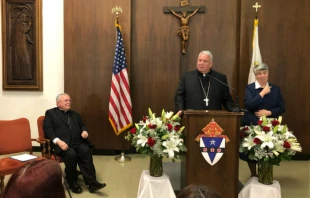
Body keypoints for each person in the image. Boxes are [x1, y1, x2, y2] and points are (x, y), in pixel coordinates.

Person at [43, 93, 106, 194]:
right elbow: (48, 130)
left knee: (85, 150)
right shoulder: (50, 113)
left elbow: (83, 126)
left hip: (77, 142)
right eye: (66, 100)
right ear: (58, 103)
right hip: (62, 144)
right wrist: (58, 141)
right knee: (71, 154)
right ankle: (72, 182)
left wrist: (84, 131)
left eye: (69, 100)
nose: (69, 102)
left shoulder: (75, 114)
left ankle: (92, 183)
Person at [241, 63, 285, 176]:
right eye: (259, 73)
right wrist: (262, 93)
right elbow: (249, 105)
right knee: (251, 152)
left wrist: (269, 112)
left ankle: (265, 173)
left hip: (270, 126)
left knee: (268, 151)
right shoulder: (250, 88)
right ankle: (253, 174)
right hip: (253, 125)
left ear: (268, 74)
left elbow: (281, 107)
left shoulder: (275, 89)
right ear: (255, 75)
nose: (262, 76)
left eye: (264, 73)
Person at [175, 50, 234, 115]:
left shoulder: (220, 78)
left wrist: (232, 109)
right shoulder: (186, 77)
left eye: (205, 61)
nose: (201, 63)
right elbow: (179, 95)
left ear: (211, 64)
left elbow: (226, 99)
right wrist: (180, 109)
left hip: (214, 118)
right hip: (192, 117)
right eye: (200, 60)